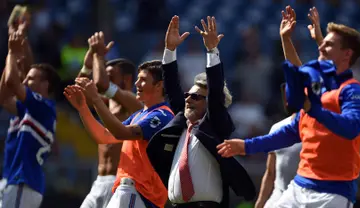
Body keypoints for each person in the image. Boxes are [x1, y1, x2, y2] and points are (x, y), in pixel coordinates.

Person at [217, 6, 360, 207]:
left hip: (333, 193)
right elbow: (286, 134)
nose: (321, 48)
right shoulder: (317, 91)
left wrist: (313, 108)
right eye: (321, 44)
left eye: (328, 44)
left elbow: (351, 127)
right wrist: (246, 146)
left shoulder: (354, 92)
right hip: (298, 188)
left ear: (347, 54)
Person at [146, 15, 256, 208]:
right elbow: (171, 85)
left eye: (196, 96)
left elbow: (214, 94)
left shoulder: (214, 126)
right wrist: (170, 50)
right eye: (188, 94)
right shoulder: (182, 123)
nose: (188, 99)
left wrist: (212, 50)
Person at [65, 59, 174, 207]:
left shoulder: (162, 115)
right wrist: (83, 108)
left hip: (138, 192)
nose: (137, 84)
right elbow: (104, 136)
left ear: (158, 85)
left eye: (143, 80)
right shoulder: (138, 115)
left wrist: (96, 99)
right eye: (137, 79)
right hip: (126, 191)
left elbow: (120, 133)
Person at [255, 6, 322, 208]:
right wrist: (259, 204)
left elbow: (309, 71)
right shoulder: (277, 128)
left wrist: (320, 41)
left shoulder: (321, 125)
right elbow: (270, 174)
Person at [77, 32, 143, 208]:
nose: (106, 78)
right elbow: (78, 94)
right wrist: (87, 65)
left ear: (127, 79)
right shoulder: (106, 103)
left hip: (120, 182)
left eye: (111, 75)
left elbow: (102, 85)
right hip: (99, 181)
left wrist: (99, 55)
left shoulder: (134, 103)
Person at [0, 31, 59, 208]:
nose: (24, 81)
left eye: (30, 79)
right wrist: (15, 54)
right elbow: (3, 97)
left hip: (23, 182)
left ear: (45, 85)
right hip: (14, 181)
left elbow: (12, 82)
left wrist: (12, 52)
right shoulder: (31, 109)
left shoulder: (43, 107)